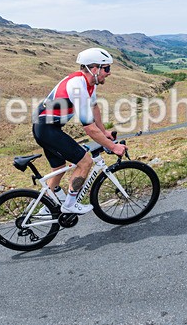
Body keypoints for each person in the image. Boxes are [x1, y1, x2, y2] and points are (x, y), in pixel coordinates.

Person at [32, 47, 126, 214]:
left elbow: (94, 107)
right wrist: (113, 147)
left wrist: (104, 132)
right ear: (94, 69)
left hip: (48, 127)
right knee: (85, 162)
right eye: (107, 68)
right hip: (47, 129)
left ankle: (45, 208)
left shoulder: (89, 83)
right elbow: (89, 128)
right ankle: (69, 205)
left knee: (58, 168)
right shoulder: (77, 86)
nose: (109, 73)